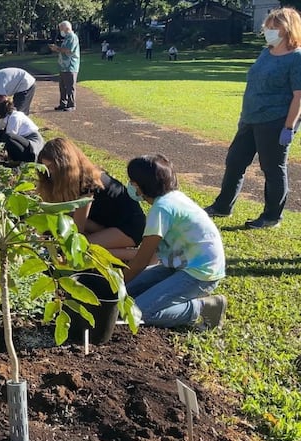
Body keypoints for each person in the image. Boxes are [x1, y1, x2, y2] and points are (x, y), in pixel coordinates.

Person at [204, 8, 301, 229]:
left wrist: (289, 127)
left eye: (274, 27)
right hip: (250, 118)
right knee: (235, 161)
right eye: (267, 27)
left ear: (288, 29)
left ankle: (271, 216)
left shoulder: (297, 58)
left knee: (273, 169)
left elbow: (299, 96)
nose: (268, 31)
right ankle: (222, 206)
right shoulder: (266, 52)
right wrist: (244, 116)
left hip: (275, 120)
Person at [124, 155, 227, 329]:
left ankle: (205, 307)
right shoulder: (172, 197)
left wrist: (114, 287)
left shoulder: (161, 209)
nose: (131, 186)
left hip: (200, 274)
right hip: (179, 266)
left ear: (141, 186)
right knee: (126, 296)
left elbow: (140, 261)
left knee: (137, 312)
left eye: (132, 182)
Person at [36, 138, 145, 260]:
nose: (49, 173)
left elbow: (77, 230)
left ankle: (143, 256)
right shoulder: (71, 182)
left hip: (129, 226)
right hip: (104, 223)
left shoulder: (88, 183)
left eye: (51, 167)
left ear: (64, 166)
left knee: (80, 247)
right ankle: (113, 245)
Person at [0, 95, 45, 162]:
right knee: (0, 134)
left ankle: (14, 161)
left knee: (7, 137)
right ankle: (13, 159)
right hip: (26, 144)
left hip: (33, 147)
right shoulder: (7, 116)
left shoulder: (14, 117)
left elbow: (9, 139)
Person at [49, 21, 81, 112]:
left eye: (61, 29)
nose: (60, 31)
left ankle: (71, 104)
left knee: (70, 86)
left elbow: (68, 50)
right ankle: (63, 103)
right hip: (64, 66)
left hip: (70, 66)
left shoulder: (72, 37)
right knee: (62, 86)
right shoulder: (67, 38)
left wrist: (57, 48)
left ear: (66, 28)